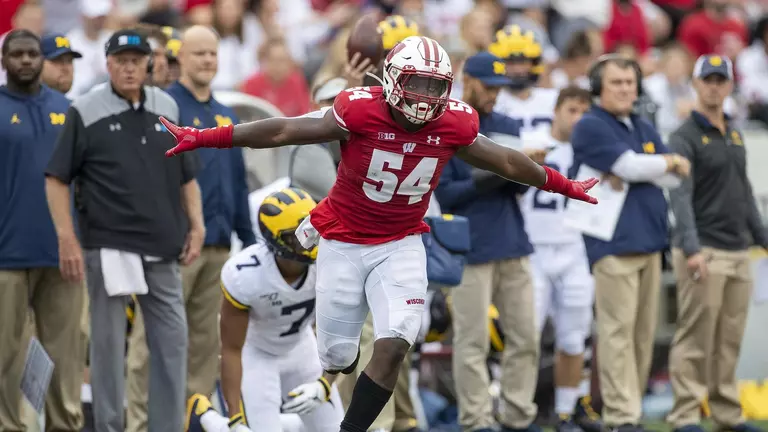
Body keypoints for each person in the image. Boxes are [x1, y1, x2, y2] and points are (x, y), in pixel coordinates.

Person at [160, 35, 599, 432]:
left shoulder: (455, 122)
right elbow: (283, 129)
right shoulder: (359, 108)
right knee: (337, 356)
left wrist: (565, 184)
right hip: (344, 242)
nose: (426, 97)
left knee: (394, 344)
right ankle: (335, 368)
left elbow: (506, 161)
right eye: (417, 83)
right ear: (391, 79)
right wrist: (206, 138)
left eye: (434, 86)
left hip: (401, 242)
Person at [44, 29, 201, 432]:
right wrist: (67, 236)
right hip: (109, 244)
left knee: (173, 344)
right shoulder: (85, 109)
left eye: (137, 59)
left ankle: (166, 427)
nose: (129, 67)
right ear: (108, 63)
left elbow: (187, 176)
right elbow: (57, 177)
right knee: (109, 346)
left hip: (163, 245)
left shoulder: (167, 105)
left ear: (149, 63)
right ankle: (110, 426)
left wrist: (196, 224)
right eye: (121, 59)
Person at [125, 25, 255, 432]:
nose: (207, 61)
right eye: (199, 53)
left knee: (204, 347)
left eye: (213, 54)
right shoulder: (164, 107)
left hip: (217, 247)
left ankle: (190, 423)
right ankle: (140, 424)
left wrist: (249, 241)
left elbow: (237, 182)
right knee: (151, 342)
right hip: (173, 245)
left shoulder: (226, 113)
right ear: (180, 57)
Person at [570, 54, 691, 432]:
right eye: (616, 83)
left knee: (642, 337)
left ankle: (630, 410)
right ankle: (622, 416)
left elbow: (674, 178)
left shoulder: (641, 123)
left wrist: (656, 165)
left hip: (650, 242)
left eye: (629, 82)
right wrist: (661, 163)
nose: (625, 89)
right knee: (617, 333)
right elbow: (631, 167)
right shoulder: (590, 125)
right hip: (614, 245)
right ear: (598, 88)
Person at [434, 51, 540, 432]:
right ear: (469, 82)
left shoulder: (507, 123)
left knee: (526, 337)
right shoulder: (446, 124)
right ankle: (476, 421)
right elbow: (446, 194)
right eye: (489, 86)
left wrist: (519, 170)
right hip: (468, 247)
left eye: (499, 87)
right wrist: (505, 167)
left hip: (512, 241)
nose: (495, 94)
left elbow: (518, 188)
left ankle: (516, 417)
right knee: (472, 342)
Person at [185, 187, 345, 432]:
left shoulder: (330, 262)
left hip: (302, 349)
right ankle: (209, 419)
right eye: (298, 235)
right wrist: (235, 416)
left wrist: (325, 383)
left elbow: (342, 334)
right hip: (258, 355)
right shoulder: (247, 275)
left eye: (313, 230)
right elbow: (231, 349)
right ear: (275, 239)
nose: (310, 241)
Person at [666, 55, 767, 432]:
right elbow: (679, 195)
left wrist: (763, 239)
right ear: (695, 84)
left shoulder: (735, 133)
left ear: (728, 86)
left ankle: (727, 413)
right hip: (704, 249)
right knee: (695, 337)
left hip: (738, 250)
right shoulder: (683, 136)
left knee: (729, 339)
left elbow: (743, 193)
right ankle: (686, 415)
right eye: (707, 79)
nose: (713, 86)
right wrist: (691, 248)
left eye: (719, 80)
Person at [0, 29, 83, 432]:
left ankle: (64, 426)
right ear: (4, 61)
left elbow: (82, 180)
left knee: (65, 355)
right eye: (17, 54)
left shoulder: (67, 109)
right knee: (6, 355)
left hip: (62, 254)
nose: (27, 61)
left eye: (33, 54)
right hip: (6, 254)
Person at [520, 86, 603, 432]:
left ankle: (566, 411)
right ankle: (514, 410)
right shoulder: (532, 141)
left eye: (585, 111)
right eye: (572, 110)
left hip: (573, 249)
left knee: (574, 336)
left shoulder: (594, 148)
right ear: (555, 110)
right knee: (525, 335)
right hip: (534, 249)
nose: (578, 118)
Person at [489, 24, 559, 141]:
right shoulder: (489, 102)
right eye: (510, 63)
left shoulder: (554, 99)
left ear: (534, 63)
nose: (518, 70)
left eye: (523, 62)